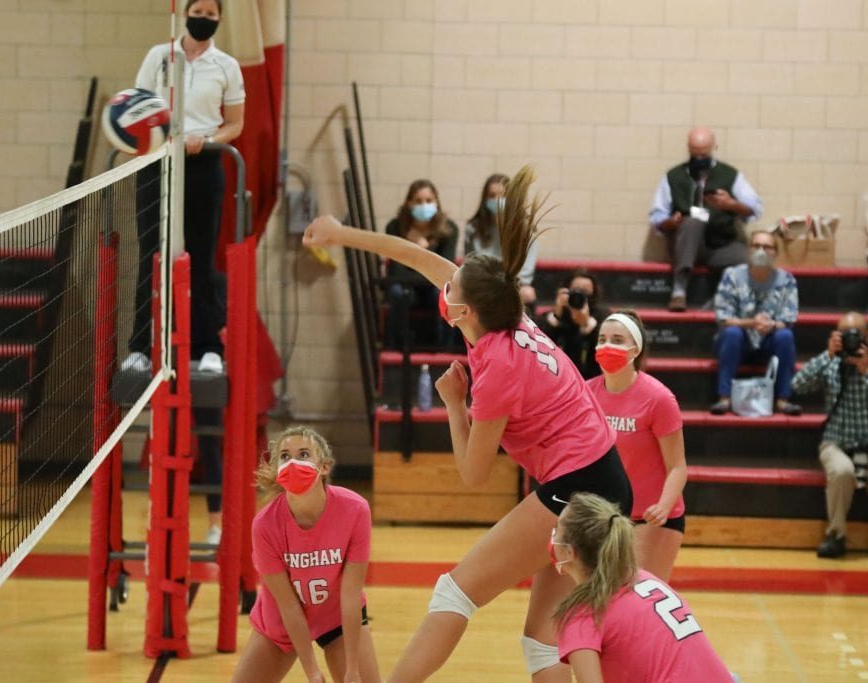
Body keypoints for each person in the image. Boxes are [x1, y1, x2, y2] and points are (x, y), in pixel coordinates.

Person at [304, 165, 633, 683]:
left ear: (464, 308)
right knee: (542, 640)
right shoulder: (506, 318)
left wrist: (455, 404)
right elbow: (415, 257)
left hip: (581, 489)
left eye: (452, 283)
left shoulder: (498, 365)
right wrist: (341, 234)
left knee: (455, 591)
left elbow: (474, 474)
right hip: (600, 479)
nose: (445, 283)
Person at [127, 0, 245, 542]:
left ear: (219, 18)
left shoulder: (226, 66)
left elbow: (237, 121)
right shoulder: (160, 56)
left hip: (203, 164)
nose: (203, 15)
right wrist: (160, 137)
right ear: (184, 13)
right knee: (153, 254)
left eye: (210, 10)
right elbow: (136, 108)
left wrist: (208, 139)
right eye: (195, 8)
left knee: (199, 261)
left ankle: (204, 346)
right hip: (159, 163)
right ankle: (138, 342)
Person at [231, 426, 380, 683]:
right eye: (285, 457)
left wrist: (353, 669)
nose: (293, 463)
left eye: (303, 454)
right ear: (277, 470)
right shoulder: (265, 525)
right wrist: (312, 671)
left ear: (324, 466)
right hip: (282, 621)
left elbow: (351, 594)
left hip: (336, 618)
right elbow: (288, 605)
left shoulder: (355, 509)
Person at [552, 492, 735, 683]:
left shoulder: (581, 618)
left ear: (568, 551)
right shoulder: (645, 578)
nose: (553, 535)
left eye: (556, 530)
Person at [586, 310, 686, 581]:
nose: (608, 346)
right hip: (607, 515)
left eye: (617, 340)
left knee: (638, 601)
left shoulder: (659, 399)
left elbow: (678, 467)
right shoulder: (587, 394)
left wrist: (663, 507)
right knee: (597, 598)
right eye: (603, 339)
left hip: (653, 518)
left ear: (635, 349)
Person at [649, 126, 762, 312]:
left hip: (721, 244)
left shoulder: (730, 175)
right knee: (693, 222)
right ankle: (679, 291)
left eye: (704, 154)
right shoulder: (673, 176)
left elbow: (755, 209)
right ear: (689, 149)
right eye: (695, 154)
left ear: (713, 148)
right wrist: (672, 221)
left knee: (746, 258)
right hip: (686, 246)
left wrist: (731, 204)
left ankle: (720, 299)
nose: (699, 159)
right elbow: (656, 217)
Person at [791, 311, 868, 559]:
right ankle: (836, 534)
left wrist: (865, 370)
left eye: (857, 335)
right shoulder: (830, 363)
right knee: (842, 470)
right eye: (846, 335)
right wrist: (828, 354)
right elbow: (798, 385)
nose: (852, 340)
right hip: (835, 442)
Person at [710, 229, 801, 416]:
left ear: (775, 252)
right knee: (732, 332)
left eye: (767, 247)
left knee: (785, 336)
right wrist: (751, 323)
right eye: (756, 246)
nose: (761, 251)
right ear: (749, 250)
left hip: (769, 341)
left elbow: (789, 318)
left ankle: (783, 400)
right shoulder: (732, 275)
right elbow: (723, 317)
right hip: (739, 342)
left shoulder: (787, 280)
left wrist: (772, 325)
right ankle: (724, 398)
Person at [383, 179, 459, 350]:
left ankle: (444, 351)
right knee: (397, 293)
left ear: (437, 203)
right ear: (409, 203)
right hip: (407, 286)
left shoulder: (449, 228)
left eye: (429, 201)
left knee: (445, 296)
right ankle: (395, 349)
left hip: (434, 288)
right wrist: (427, 270)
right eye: (418, 201)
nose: (424, 205)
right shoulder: (395, 227)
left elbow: (446, 273)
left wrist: (423, 250)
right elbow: (396, 272)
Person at [464, 173, 538, 311]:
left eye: (502, 195)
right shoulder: (473, 228)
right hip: (483, 283)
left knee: (527, 293)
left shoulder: (526, 228)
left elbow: (526, 269)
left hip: (515, 284)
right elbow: (470, 262)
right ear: (484, 199)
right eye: (492, 195)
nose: (497, 200)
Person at [540, 269, 609, 380]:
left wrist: (588, 325)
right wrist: (557, 317)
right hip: (556, 379)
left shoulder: (603, 317)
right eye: (575, 291)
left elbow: (605, 353)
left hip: (591, 380)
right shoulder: (550, 317)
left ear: (594, 295)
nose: (579, 296)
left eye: (586, 293)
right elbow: (539, 347)